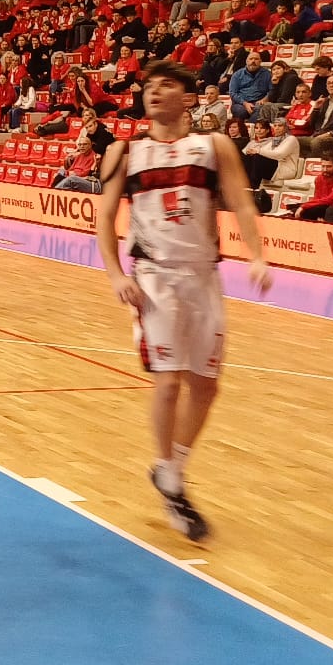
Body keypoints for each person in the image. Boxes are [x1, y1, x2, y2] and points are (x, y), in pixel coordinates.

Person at [94, 59, 272, 542]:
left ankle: (172, 467)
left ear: (188, 97)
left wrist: (257, 256)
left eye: (165, 85)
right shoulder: (124, 152)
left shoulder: (214, 147)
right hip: (154, 277)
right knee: (168, 383)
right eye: (149, 86)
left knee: (207, 386)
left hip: (203, 276)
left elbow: (242, 200)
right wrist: (114, 274)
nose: (153, 92)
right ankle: (171, 479)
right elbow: (104, 218)